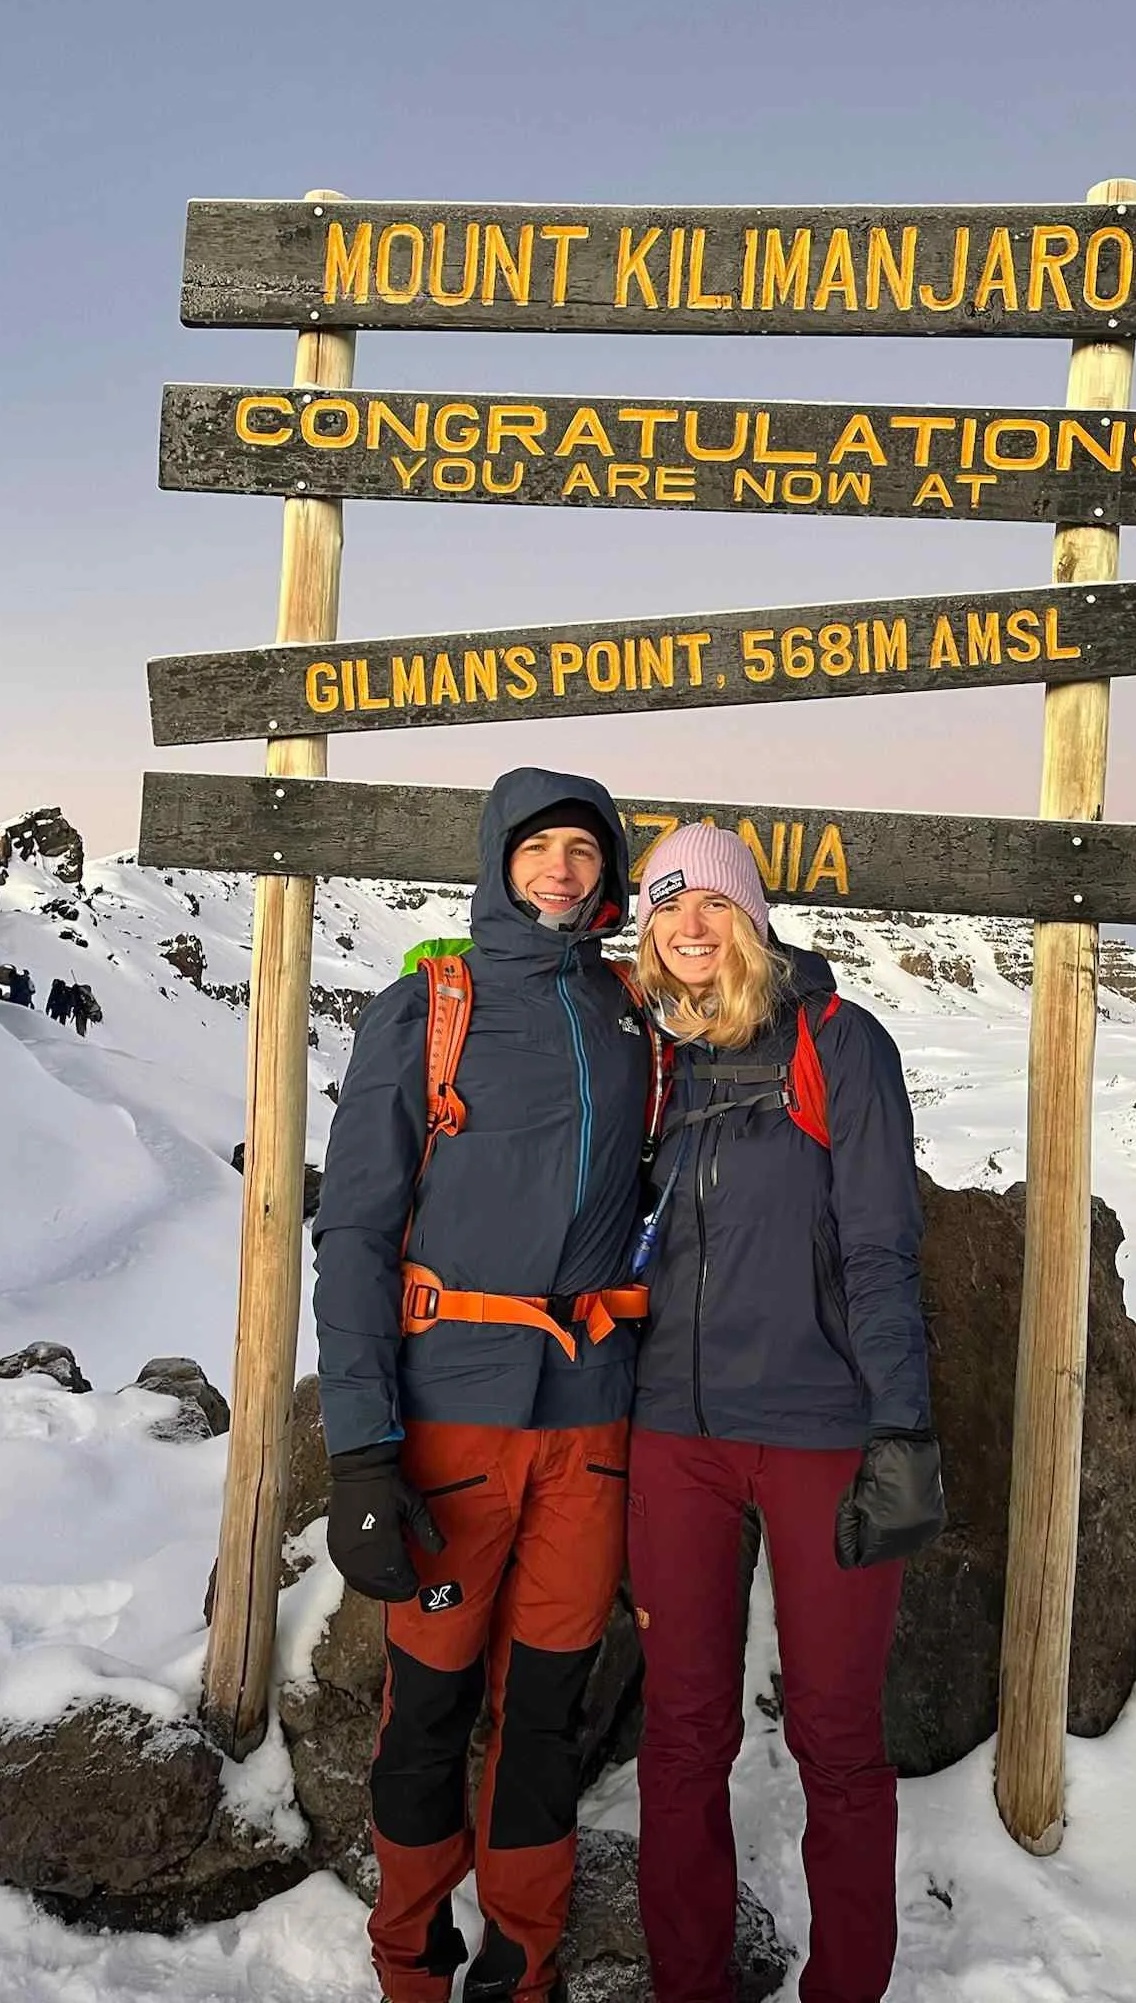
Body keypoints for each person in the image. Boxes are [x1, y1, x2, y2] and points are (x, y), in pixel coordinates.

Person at [313, 767, 652, 2003]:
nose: (561, 867)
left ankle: (525, 1966)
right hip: (452, 1413)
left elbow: (737, 1031)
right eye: (538, 846)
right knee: (430, 1711)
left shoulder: (631, 1012)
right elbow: (351, 1231)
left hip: (590, 1424)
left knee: (549, 1710)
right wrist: (360, 1449)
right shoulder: (427, 1006)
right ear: (497, 861)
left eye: (583, 848)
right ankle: (411, 1964)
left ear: (609, 874)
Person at [627, 824, 944, 2003]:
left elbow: (878, 1245)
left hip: (819, 1429)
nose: (692, 927)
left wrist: (900, 1429)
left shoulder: (842, 1044)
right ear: (649, 931)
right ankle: (688, 1983)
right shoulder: (654, 1060)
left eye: (712, 905)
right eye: (669, 910)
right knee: (682, 1733)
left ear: (752, 919)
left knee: (838, 1740)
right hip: (672, 1431)